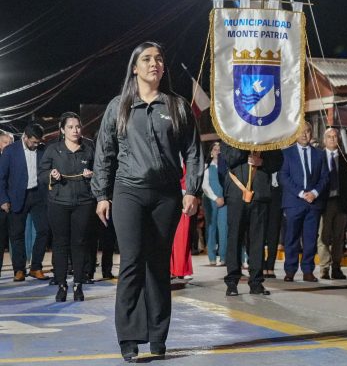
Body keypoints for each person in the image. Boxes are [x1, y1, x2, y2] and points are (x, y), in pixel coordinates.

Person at [92, 41, 203, 361]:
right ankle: (128, 337)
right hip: (128, 191)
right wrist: (102, 194)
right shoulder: (119, 106)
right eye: (146, 59)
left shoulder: (178, 106)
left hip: (166, 196)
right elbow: (104, 153)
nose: (154, 63)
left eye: (158, 59)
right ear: (135, 67)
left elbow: (194, 152)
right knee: (131, 261)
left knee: (158, 266)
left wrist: (192, 190)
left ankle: (158, 336)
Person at [38, 112, 95, 302]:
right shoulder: (53, 150)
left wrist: (91, 175)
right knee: (60, 244)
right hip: (58, 203)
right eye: (70, 127)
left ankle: (78, 284)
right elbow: (42, 173)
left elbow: (99, 172)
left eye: (78, 126)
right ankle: (61, 285)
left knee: (79, 244)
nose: (75, 130)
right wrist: (51, 175)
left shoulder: (89, 149)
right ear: (62, 130)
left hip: (83, 203)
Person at [220, 143, 282, 296]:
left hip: (260, 193)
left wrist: (263, 162)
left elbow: (278, 161)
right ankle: (232, 281)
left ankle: (256, 282)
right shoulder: (231, 134)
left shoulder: (266, 136)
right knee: (234, 237)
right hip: (236, 192)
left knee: (258, 239)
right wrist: (244, 146)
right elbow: (229, 159)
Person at [279, 121, 328, 282]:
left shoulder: (319, 154)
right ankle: (290, 270)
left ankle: (308, 270)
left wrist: (314, 193)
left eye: (307, 131)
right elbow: (283, 177)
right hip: (294, 202)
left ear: (311, 133)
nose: (304, 134)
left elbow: (324, 177)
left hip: (313, 203)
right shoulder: (287, 153)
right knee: (291, 237)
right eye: (301, 132)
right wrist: (301, 193)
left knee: (310, 238)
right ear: (295, 134)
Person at [0, 122, 50, 282]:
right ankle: (19, 269)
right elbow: (1, 178)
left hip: (38, 196)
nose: (36, 145)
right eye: (33, 141)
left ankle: (36, 267)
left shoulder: (43, 150)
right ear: (25, 137)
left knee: (43, 231)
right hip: (16, 196)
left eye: (38, 142)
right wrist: (3, 199)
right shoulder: (10, 151)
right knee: (16, 235)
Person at [318, 127, 347, 280]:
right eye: (329, 136)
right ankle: (324, 268)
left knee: (339, 237)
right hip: (325, 202)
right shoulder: (319, 157)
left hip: (341, 202)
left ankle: (336, 267)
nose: (333, 139)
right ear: (324, 140)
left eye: (335, 136)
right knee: (323, 236)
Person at [201, 141, 227, 266]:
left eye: (219, 149)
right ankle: (211, 256)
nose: (218, 151)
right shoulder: (207, 167)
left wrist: (223, 198)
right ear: (211, 153)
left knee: (223, 228)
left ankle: (223, 256)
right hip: (211, 200)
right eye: (215, 149)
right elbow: (205, 186)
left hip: (224, 200)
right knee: (211, 228)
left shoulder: (225, 167)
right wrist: (215, 198)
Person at [0, 130, 14, 278]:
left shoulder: (12, 158)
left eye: (10, 143)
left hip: (12, 204)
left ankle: (19, 269)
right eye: (5, 143)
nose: (9, 145)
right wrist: (3, 200)